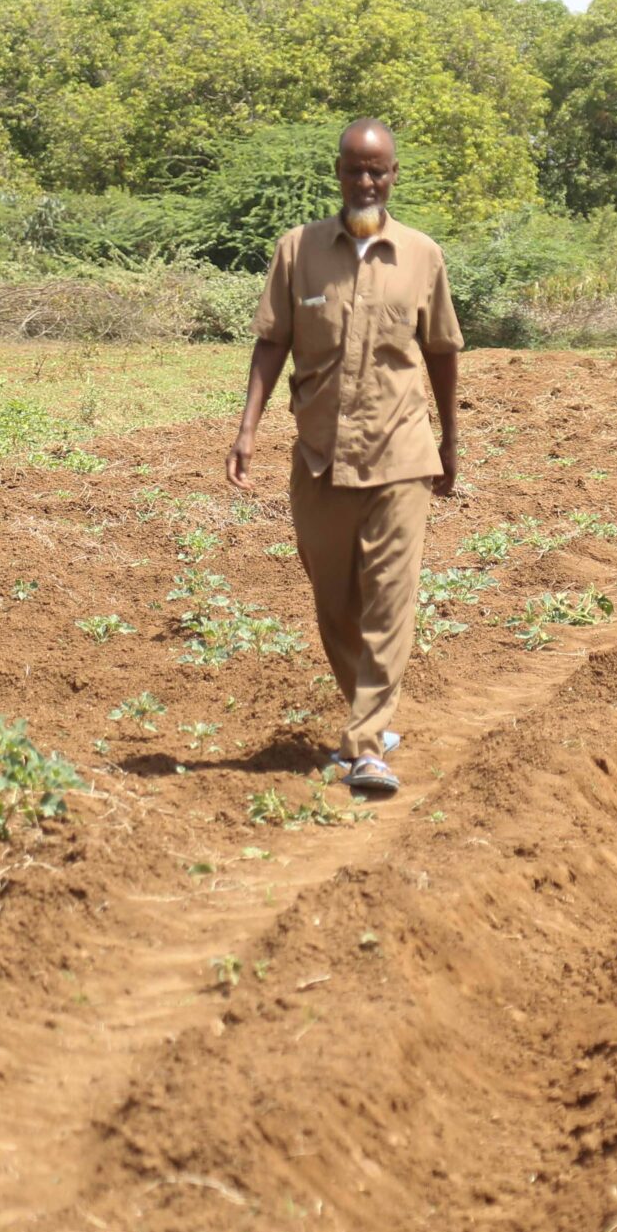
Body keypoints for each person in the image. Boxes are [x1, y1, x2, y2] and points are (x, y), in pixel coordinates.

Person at [224, 118, 463, 797]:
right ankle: (372, 717)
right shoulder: (297, 252)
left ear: (393, 176)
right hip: (321, 456)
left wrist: (450, 440)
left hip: (401, 454)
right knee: (336, 601)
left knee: (391, 601)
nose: (366, 181)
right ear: (338, 172)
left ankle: (364, 746)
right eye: (355, 169)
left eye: (377, 170)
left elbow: (442, 352)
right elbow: (272, 342)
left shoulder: (422, 256)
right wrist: (247, 428)